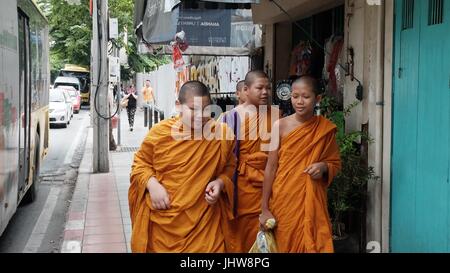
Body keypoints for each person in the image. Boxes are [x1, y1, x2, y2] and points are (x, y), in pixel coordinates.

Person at [128, 81, 236, 253]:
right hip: (165, 222)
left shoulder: (221, 134)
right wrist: (152, 184)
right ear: (179, 106)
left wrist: (220, 183)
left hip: (205, 224)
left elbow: (229, 166)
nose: (201, 115)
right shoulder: (160, 133)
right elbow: (140, 165)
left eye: (206, 109)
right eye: (194, 109)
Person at [259, 76, 341, 253]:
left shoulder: (325, 129)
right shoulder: (279, 125)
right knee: (285, 243)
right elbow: (271, 167)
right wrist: (264, 208)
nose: (299, 101)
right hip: (284, 198)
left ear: (317, 99)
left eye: (306, 96)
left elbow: (334, 162)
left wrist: (324, 167)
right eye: (295, 96)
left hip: (312, 199)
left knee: (315, 241)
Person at [219, 71, 280, 253]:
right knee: (242, 237)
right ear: (246, 89)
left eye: (268, 88)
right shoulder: (229, 118)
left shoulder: (276, 115)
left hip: (273, 184)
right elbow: (221, 157)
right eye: (259, 88)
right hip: (242, 188)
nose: (265, 92)